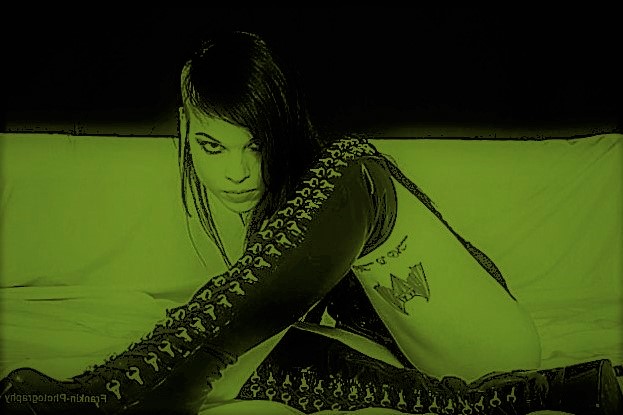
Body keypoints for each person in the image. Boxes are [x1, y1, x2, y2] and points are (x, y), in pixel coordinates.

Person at [1, 30, 621, 415]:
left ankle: (114, 391)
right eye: (214, 147)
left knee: (352, 164)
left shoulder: (332, 186)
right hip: (424, 362)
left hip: (488, 333)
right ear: (187, 133)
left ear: (281, 128)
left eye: (257, 144)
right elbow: (251, 339)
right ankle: (547, 393)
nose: (238, 172)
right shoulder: (277, 230)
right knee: (262, 347)